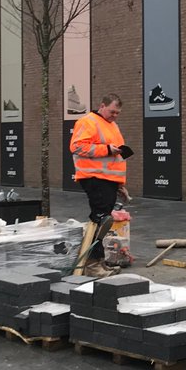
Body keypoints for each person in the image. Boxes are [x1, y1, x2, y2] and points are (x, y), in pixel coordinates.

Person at [70, 93, 130, 275]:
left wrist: (119, 184)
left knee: (103, 220)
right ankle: (92, 263)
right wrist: (106, 149)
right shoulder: (88, 122)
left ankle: (98, 261)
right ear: (102, 106)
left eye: (118, 113)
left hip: (107, 180)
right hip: (94, 177)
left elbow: (117, 157)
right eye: (112, 111)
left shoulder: (112, 125)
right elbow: (77, 146)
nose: (115, 116)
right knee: (100, 219)